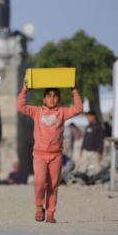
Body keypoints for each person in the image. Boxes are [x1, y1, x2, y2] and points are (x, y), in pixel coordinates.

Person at [17, 85, 83, 223]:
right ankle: (39, 207)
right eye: (49, 96)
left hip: (56, 155)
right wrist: (25, 89)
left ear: (58, 99)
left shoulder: (62, 112)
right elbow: (21, 107)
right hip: (39, 154)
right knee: (40, 182)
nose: (52, 99)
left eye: (55, 96)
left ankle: (51, 213)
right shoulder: (37, 111)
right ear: (44, 99)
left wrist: (74, 90)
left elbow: (78, 109)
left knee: (53, 185)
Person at [78, 111, 105, 176]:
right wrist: (82, 149)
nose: (88, 118)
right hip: (86, 150)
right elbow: (85, 139)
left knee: (97, 166)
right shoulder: (88, 126)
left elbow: (101, 140)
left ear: (94, 116)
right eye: (87, 117)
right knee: (82, 165)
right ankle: (81, 176)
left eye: (89, 117)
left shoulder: (99, 127)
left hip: (95, 151)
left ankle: (99, 177)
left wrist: (100, 153)